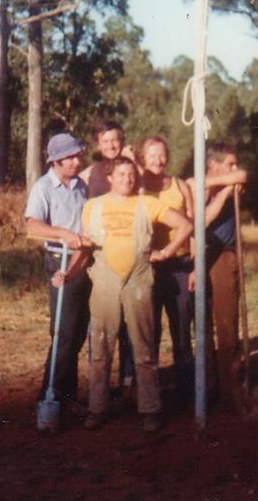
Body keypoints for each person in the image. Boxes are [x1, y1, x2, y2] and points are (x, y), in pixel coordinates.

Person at [68, 156, 193, 433]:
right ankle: (96, 408)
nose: (128, 179)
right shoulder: (93, 206)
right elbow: (84, 247)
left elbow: (186, 225)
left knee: (144, 348)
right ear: (110, 177)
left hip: (138, 278)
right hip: (104, 279)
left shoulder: (147, 203)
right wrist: (67, 273)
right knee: (100, 348)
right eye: (121, 174)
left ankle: (150, 410)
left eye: (131, 174)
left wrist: (166, 252)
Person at [24, 133, 91, 431]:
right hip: (60, 260)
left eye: (78, 156)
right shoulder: (43, 187)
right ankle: (47, 397)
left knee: (77, 333)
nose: (77, 161)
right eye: (71, 157)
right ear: (56, 160)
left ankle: (68, 394)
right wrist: (63, 233)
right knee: (63, 332)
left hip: (84, 260)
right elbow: (32, 227)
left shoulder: (81, 185)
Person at [79, 120, 137, 392]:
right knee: (100, 320)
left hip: (130, 250)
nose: (111, 145)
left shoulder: (132, 170)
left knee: (129, 320)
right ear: (97, 145)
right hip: (100, 255)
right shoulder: (89, 174)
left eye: (115, 140)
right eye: (105, 141)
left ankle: (128, 377)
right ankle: (98, 382)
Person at [138, 136, 195, 406]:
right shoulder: (137, 188)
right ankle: (150, 395)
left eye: (161, 155)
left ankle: (186, 394)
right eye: (151, 155)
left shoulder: (181, 185)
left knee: (181, 330)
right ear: (142, 158)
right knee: (149, 332)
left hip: (180, 266)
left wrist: (195, 266)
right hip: (149, 267)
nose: (157, 160)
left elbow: (193, 228)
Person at [192, 142, 247, 410]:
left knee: (227, 325)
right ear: (212, 165)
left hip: (224, 256)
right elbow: (199, 222)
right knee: (201, 326)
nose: (234, 168)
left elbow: (242, 175)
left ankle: (229, 391)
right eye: (229, 163)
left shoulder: (227, 179)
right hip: (198, 256)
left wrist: (226, 182)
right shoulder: (195, 184)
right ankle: (207, 388)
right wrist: (224, 191)